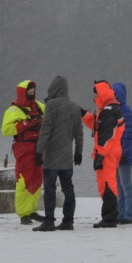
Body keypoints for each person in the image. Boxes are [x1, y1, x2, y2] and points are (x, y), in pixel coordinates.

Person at [33, 75, 84, 232]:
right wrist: (78, 153)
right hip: (67, 158)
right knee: (68, 188)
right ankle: (68, 221)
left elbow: (45, 130)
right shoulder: (75, 107)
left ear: (53, 89)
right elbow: (79, 133)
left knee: (50, 189)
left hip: (51, 157)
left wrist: (39, 150)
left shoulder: (51, 106)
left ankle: (49, 221)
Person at [1, 80, 46, 225]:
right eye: (29, 92)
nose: (32, 94)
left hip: (39, 148)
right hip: (24, 149)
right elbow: (6, 130)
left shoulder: (39, 106)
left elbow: (51, 117)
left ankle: (32, 210)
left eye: (33, 92)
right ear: (23, 92)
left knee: (37, 180)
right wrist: (26, 124)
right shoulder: (13, 111)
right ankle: (23, 213)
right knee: (23, 181)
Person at [81, 80, 124, 228]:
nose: (95, 96)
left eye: (96, 93)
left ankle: (109, 218)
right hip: (112, 151)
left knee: (107, 184)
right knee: (108, 183)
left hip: (107, 152)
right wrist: (84, 114)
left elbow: (107, 136)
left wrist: (99, 155)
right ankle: (110, 216)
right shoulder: (110, 109)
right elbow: (98, 126)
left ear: (101, 93)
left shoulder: (108, 110)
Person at [112, 82, 132, 224]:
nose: (113, 95)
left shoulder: (125, 110)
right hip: (116, 153)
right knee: (119, 186)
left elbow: (128, 133)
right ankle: (120, 213)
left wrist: (124, 152)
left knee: (126, 184)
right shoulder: (114, 109)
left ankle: (129, 215)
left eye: (115, 93)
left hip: (124, 154)